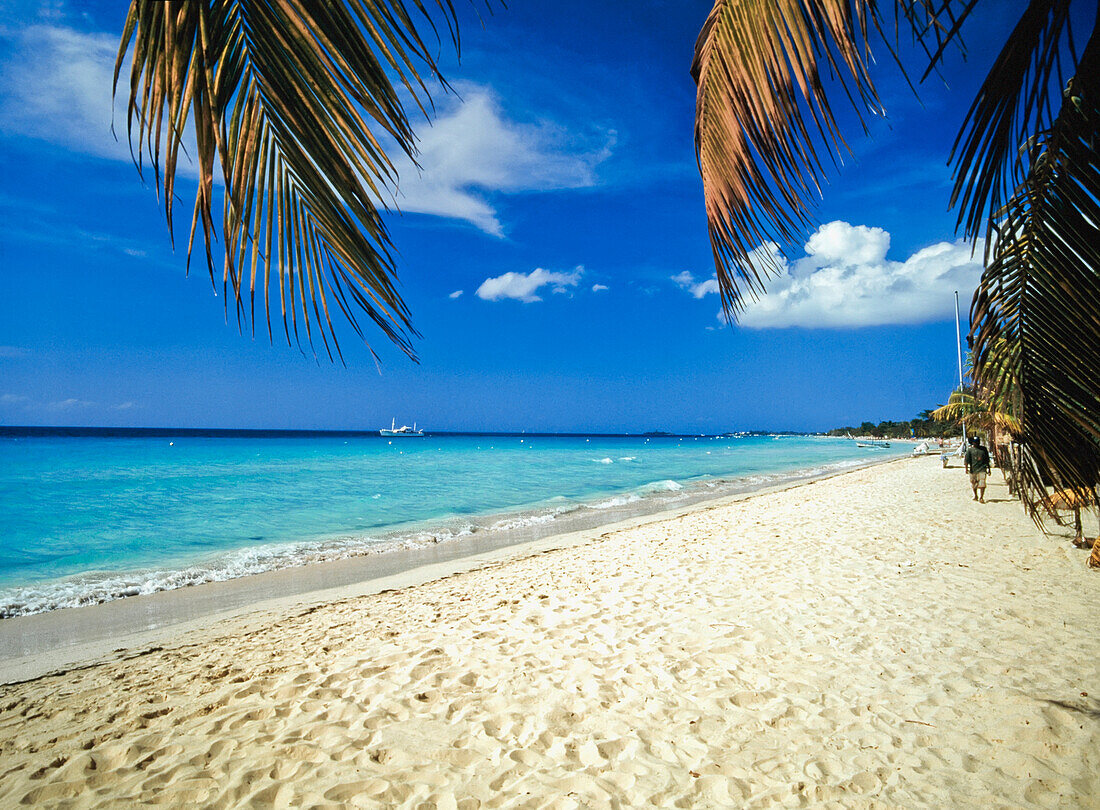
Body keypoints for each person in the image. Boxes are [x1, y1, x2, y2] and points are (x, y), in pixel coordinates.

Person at [964, 435, 991, 503]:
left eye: (978, 442)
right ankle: (976, 495)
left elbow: (987, 460)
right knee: (974, 484)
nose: (977, 443)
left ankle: (981, 497)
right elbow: (966, 460)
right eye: (975, 442)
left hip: (982, 469)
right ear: (973, 442)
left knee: (982, 484)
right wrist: (966, 469)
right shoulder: (970, 450)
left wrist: (989, 469)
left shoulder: (983, 449)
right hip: (973, 469)